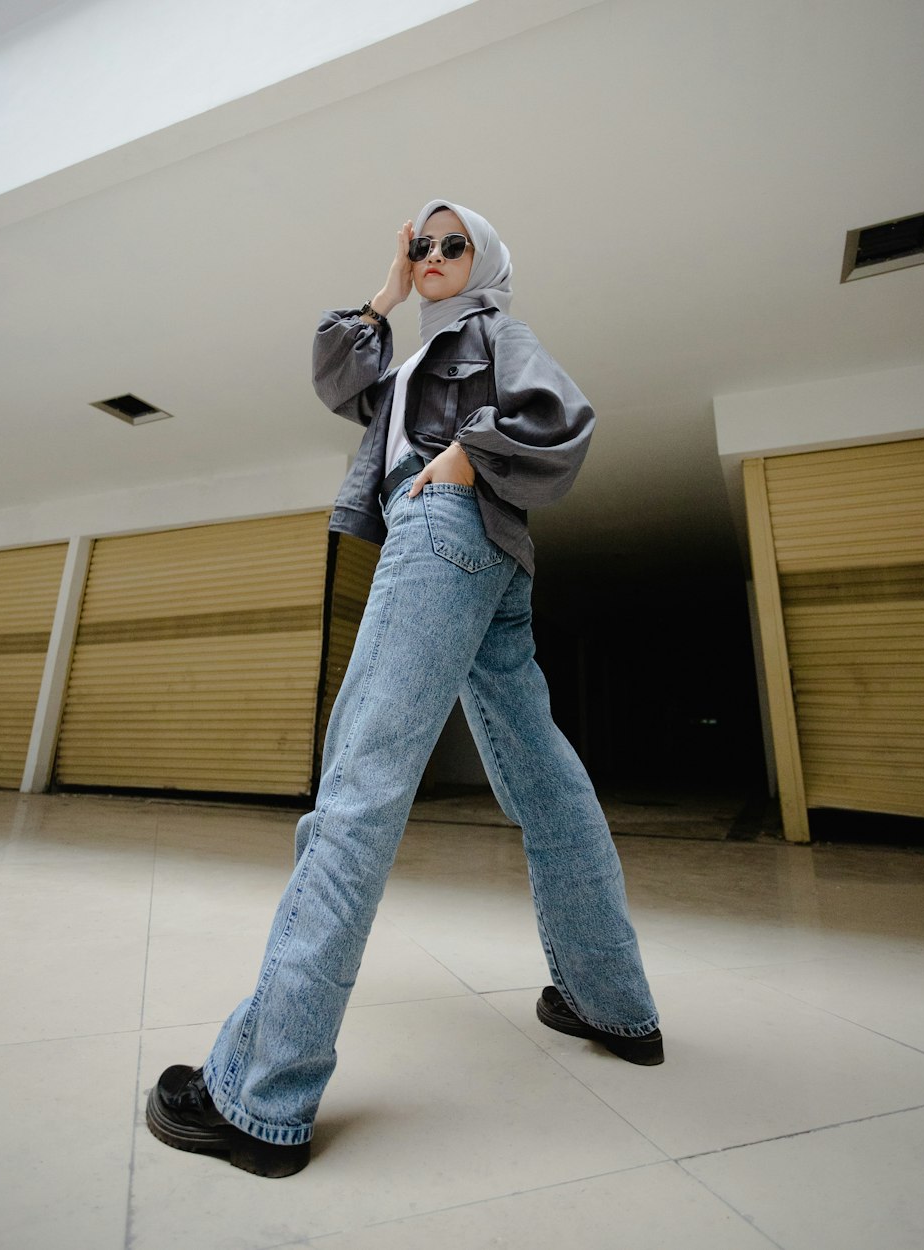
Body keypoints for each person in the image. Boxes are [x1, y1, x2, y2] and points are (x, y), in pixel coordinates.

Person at [146, 199, 662, 1179]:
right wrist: (384, 291)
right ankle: (613, 1003)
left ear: (488, 261)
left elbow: (561, 415)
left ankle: (261, 1093)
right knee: (545, 780)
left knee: (357, 791)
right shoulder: (415, 358)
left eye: (449, 243)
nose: (429, 255)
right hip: (491, 554)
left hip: (444, 537)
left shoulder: (491, 331)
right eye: (419, 244)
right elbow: (337, 368)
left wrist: (464, 458)